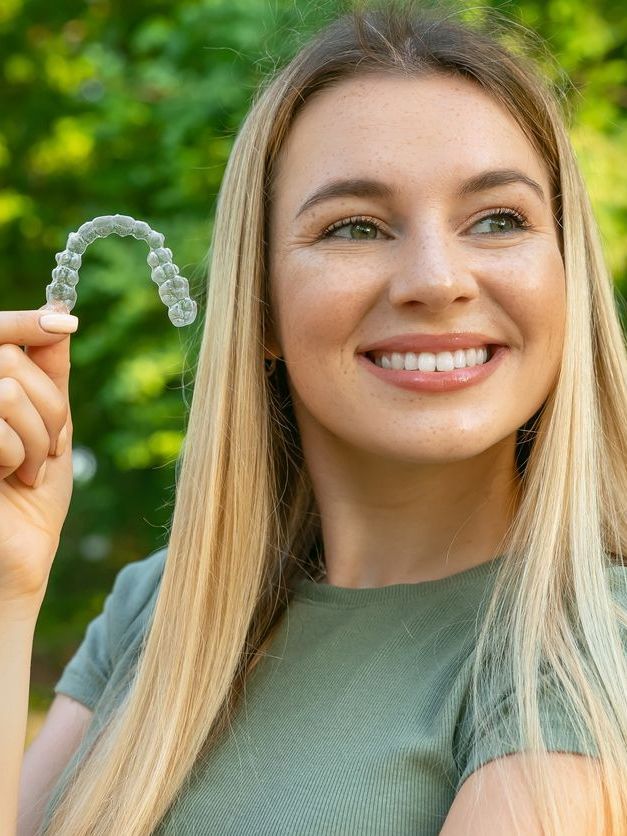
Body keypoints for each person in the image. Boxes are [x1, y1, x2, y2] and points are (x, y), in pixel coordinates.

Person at [3, 1, 626, 834]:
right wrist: (9, 589)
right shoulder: (154, 611)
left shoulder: (588, 650)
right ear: (258, 306)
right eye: (356, 227)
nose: (435, 280)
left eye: (498, 219)